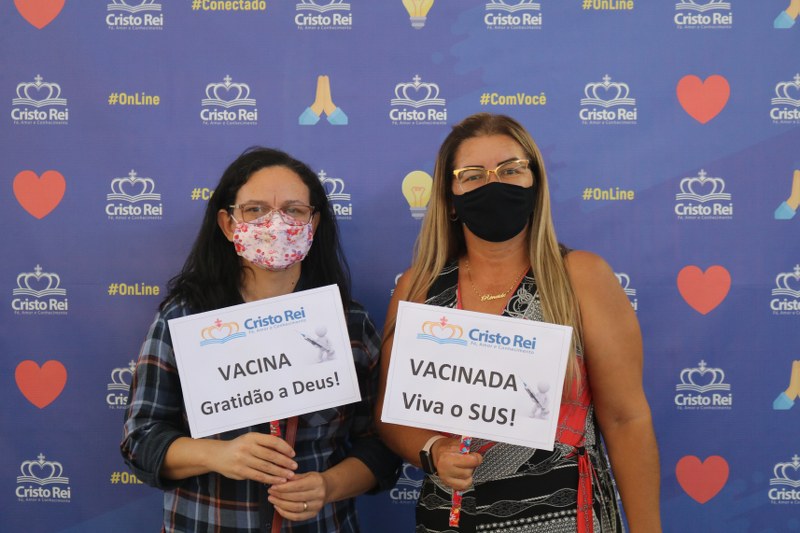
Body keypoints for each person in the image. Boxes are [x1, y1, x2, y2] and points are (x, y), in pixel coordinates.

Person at [376, 113, 661, 532]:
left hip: (565, 520)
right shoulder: (419, 287)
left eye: (511, 170)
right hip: (450, 519)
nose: (494, 184)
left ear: (535, 184)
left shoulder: (581, 277)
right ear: (450, 199)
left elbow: (625, 420)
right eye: (473, 175)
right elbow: (391, 413)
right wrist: (434, 450)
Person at [121, 147, 400, 532]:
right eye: (255, 210)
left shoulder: (348, 322)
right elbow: (140, 440)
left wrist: (328, 486)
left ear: (313, 223)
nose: (275, 224)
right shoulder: (185, 318)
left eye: (293, 210)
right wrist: (218, 455)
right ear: (228, 223)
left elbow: (382, 446)